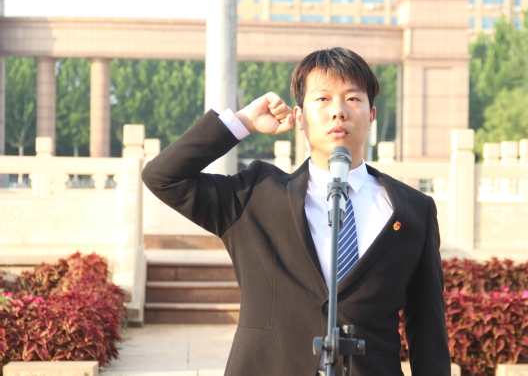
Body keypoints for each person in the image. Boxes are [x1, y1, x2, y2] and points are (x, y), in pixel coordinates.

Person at [142, 47, 450, 376]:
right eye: (323, 99)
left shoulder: (412, 210)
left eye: (353, 99)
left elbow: (427, 328)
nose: (338, 111)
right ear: (299, 117)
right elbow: (163, 177)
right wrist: (243, 122)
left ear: (371, 115)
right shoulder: (255, 195)